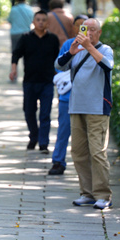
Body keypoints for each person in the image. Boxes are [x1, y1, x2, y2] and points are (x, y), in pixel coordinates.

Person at [55, 17, 114, 210]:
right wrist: (71, 52)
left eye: (93, 29)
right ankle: (87, 193)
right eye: (84, 28)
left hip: (97, 108)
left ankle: (103, 195)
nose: (88, 32)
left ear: (99, 32)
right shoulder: (77, 50)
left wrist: (89, 46)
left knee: (97, 152)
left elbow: (108, 66)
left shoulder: (105, 49)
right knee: (79, 152)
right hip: (76, 106)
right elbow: (59, 66)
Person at [9, 10, 60, 153]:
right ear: (33, 22)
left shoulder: (53, 39)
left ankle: (43, 143)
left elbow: (57, 58)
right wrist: (13, 69)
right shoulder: (26, 38)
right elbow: (16, 54)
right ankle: (34, 136)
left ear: (48, 23)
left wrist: (58, 73)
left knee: (45, 114)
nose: (41, 22)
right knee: (29, 111)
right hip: (30, 81)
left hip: (47, 82)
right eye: (38, 20)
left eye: (44, 20)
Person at [48, 15, 88, 176]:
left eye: (84, 26)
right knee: (63, 129)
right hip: (67, 96)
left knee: (86, 132)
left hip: (86, 97)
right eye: (77, 25)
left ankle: (87, 165)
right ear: (73, 27)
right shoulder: (68, 44)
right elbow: (59, 66)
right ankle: (58, 161)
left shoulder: (95, 46)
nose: (80, 28)